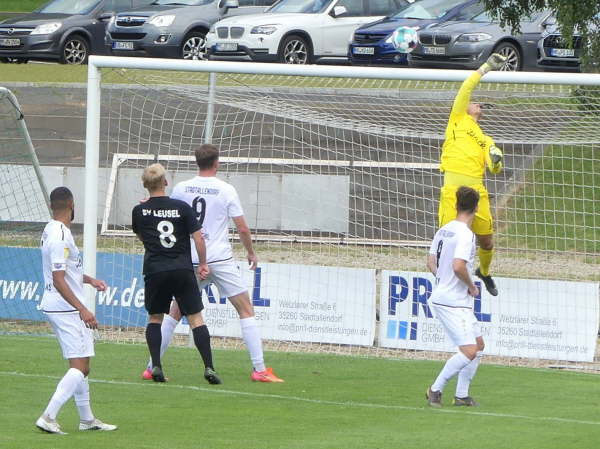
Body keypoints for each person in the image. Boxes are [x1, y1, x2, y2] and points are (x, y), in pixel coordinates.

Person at [141, 144, 283, 383]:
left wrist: (147, 203)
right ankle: (259, 369)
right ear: (216, 163)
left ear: (197, 162)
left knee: (175, 312)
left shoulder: (182, 187)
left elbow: (164, 208)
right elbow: (242, 227)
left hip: (190, 260)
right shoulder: (226, 189)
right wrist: (251, 253)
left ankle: (151, 366)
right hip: (220, 259)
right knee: (245, 309)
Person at [36, 187, 117, 434]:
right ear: (71, 203)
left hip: (57, 305)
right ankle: (48, 416)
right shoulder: (60, 235)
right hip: (66, 308)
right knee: (80, 367)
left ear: (52, 206)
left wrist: (90, 280)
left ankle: (87, 419)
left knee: (82, 364)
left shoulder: (51, 228)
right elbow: (59, 279)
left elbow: (66, 272)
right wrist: (83, 309)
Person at [132, 163, 221, 385]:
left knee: (155, 318)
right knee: (196, 319)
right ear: (166, 181)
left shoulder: (139, 210)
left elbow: (142, 236)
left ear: (145, 185)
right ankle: (209, 367)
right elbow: (198, 238)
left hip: (155, 269)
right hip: (181, 269)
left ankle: (156, 366)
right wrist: (202, 264)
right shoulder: (181, 208)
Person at [438, 52, 507, 297]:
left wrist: (497, 160)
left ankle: (484, 272)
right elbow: (467, 87)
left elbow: (495, 168)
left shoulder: (486, 139)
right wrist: (486, 67)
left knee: (486, 241)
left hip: (477, 193)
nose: (476, 103)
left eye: (479, 104)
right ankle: (445, 281)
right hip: (453, 193)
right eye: (474, 101)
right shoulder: (456, 120)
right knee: (450, 241)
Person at [426, 186, 484, 407]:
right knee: (469, 350)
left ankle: (461, 395)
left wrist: (442, 278)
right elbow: (458, 266)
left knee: (478, 345)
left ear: (456, 205)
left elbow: (431, 261)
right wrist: (471, 286)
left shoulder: (444, 230)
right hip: (452, 301)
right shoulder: (466, 235)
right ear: (476, 208)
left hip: (448, 297)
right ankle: (435, 389)